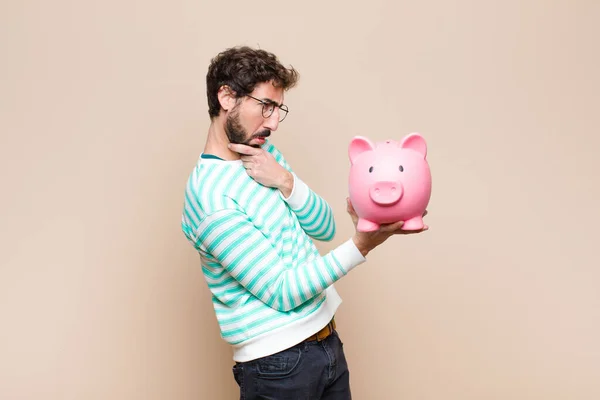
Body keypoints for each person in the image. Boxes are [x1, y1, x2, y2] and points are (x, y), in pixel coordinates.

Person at [181, 46, 428, 399]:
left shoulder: (262, 156)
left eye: (278, 109)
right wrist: (362, 245)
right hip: (277, 366)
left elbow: (324, 227)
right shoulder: (210, 198)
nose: (273, 122)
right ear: (226, 96)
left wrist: (285, 180)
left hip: (326, 341)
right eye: (265, 105)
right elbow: (282, 292)